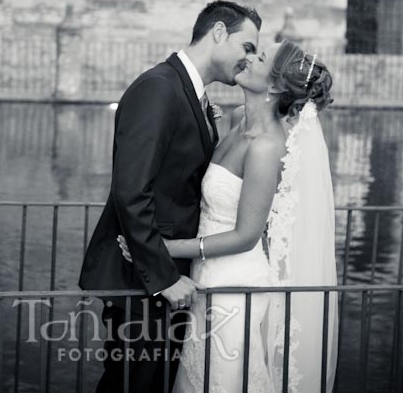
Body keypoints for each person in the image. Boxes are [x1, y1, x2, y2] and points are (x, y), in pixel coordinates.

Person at [118, 40, 338, 392]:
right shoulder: (236, 119)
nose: (248, 58)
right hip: (205, 278)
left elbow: (246, 236)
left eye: (260, 58)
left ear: (278, 85)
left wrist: (163, 248)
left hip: (237, 287)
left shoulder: (267, 146)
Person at [79, 0, 261, 393]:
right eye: (247, 46)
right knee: (131, 385)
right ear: (217, 32)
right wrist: (163, 278)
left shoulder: (188, 92)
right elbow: (131, 191)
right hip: (142, 283)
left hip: (168, 278)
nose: (249, 60)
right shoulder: (159, 88)